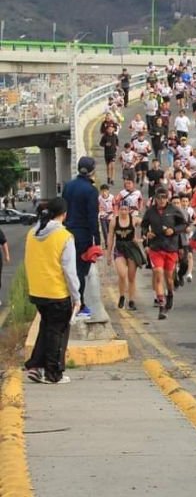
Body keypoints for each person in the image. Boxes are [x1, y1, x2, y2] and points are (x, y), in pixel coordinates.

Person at [23, 198, 81, 384]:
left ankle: (36, 366)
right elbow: (70, 271)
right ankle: (53, 373)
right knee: (58, 332)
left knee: (47, 327)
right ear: (64, 214)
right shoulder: (64, 236)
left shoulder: (32, 233)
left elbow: (28, 261)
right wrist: (76, 296)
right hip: (57, 292)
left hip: (37, 291)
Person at [62, 156, 100, 318]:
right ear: (92, 170)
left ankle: (68, 302)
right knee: (80, 270)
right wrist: (97, 239)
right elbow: (92, 217)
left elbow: (62, 210)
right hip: (83, 235)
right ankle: (80, 304)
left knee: (67, 268)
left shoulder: (68, 186)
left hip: (66, 233)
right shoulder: (91, 190)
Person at [141, 187, 187, 320]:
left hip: (171, 247)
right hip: (156, 247)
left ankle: (170, 294)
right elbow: (143, 225)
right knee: (158, 273)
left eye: (164, 197)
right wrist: (146, 233)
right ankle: (162, 305)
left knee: (169, 278)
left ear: (168, 198)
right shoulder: (150, 211)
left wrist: (173, 230)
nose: (161, 200)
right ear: (155, 198)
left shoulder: (174, 210)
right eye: (159, 198)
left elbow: (184, 225)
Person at [107, 200, 145, 311]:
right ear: (118, 210)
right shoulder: (114, 221)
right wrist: (108, 254)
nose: (123, 212)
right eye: (122, 209)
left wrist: (142, 238)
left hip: (131, 248)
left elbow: (147, 225)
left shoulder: (134, 220)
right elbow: (110, 238)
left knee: (131, 277)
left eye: (126, 209)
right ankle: (122, 296)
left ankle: (132, 300)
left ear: (129, 210)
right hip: (119, 248)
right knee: (122, 274)